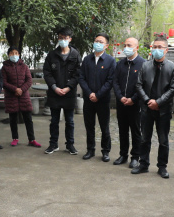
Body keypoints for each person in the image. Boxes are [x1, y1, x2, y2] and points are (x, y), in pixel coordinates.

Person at [134, 35, 174, 178]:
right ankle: (143, 164)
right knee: (144, 138)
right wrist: (148, 101)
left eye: (160, 47)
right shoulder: (145, 65)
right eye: (155, 47)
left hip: (163, 110)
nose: (157, 49)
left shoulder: (173, 68)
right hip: (146, 108)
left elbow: (173, 89)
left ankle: (162, 166)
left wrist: (158, 102)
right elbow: (138, 85)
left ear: (166, 50)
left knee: (163, 140)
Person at [43, 28, 81, 154]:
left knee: (70, 121)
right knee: (54, 121)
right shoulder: (52, 55)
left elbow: (78, 74)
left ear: (70, 39)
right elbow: (47, 73)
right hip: (54, 93)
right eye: (60, 38)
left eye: (65, 38)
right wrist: (54, 87)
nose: (62, 40)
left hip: (69, 93)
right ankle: (53, 144)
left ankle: (70, 145)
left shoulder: (75, 55)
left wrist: (68, 87)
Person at [79, 33, 116, 162]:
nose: (97, 43)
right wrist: (89, 93)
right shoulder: (87, 59)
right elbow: (81, 78)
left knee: (104, 126)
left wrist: (98, 95)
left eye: (100, 42)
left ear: (106, 45)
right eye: (96, 41)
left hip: (103, 100)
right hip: (88, 99)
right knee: (89, 126)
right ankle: (90, 150)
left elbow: (110, 81)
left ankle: (105, 151)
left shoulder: (110, 61)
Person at [112, 37, 144, 168]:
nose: (126, 48)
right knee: (122, 130)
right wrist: (120, 97)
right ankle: (123, 155)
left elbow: (143, 85)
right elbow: (115, 82)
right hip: (121, 103)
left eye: (129, 45)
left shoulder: (143, 64)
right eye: (125, 45)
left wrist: (133, 99)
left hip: (135, 104)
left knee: (136, 131)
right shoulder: (120, 64)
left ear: (137, 47)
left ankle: (135, 157)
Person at [2, 48, 40, 147]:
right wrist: (15, 89)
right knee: (13, 119)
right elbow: (3, 82)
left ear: (19, 54)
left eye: (16, 53)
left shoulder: (24, 66)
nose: (14, 55)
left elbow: (29, 80)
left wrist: (21, 89)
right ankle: (15, 138)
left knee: (28, 119)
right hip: (11, 96)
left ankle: (32, 139)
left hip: (24, 96)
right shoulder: (5, 67)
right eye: (12, 53)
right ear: (8, 55)